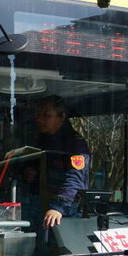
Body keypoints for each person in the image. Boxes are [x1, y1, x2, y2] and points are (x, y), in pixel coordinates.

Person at [33, 96, 89, 228]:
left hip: (64, 212)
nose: (39, 119)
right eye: (39, 115)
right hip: (42, 204)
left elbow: (75, 178)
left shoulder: (75, 143)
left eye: (46, 115)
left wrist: (58, 207)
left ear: (62, 117)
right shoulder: (43, 140)